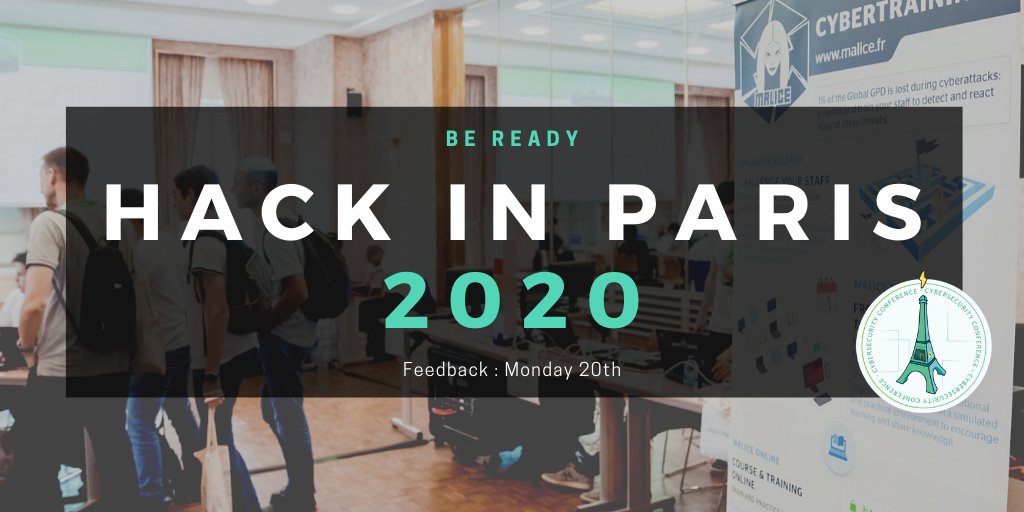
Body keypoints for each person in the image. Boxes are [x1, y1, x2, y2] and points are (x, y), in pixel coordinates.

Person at [11, 147, 140, 510]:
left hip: (61, 368)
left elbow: (33, 303)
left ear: (53, 174)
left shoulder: (49, 224)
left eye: (41, 177)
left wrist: (26, 348)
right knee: (114, 451)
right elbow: (133, 289)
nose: (41, 185)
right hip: (114, 361)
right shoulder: (117, 222)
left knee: (37, 461)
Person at [173, 165, 261, 511]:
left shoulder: (207, 240)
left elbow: (218, 310)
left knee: (218, 439)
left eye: (176, 195)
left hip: (218, 359)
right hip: (229, 352)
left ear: (191, 195)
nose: (174, 202)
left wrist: (211, 373)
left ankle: (245, 506)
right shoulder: (220, 230)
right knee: (217, 438)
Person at [232, 157, 317, 511]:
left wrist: (266, 323)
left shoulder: (276, 227)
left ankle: (302, 495)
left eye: (238, 182)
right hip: (288, 336)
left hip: (284, 338)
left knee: (288, 416)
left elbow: (298, 291)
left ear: (256, 188)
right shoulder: (274, 221)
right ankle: (299, 488)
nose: (233, 188)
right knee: (273, 411)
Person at [122, 188, 202, 509]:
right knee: (181, 415)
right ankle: (195, 483)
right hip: (179, 341)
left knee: (139, 423)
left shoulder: (143, 251)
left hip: (158, 348)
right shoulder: (170, 240)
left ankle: (151, 497)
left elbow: (128, 297)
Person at [0, 252, 26, 326]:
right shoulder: (15, 295)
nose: (16, 279)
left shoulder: (50, 300)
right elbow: (3, 325)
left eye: (20, 274)